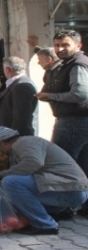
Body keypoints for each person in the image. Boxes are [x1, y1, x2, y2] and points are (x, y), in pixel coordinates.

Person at [0, 126, 88, 235]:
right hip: (71, 190)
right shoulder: (27, 143)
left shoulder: (23, 143)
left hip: (72, 191)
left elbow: (33, 163)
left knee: (10, 182)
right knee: (16, 191)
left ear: (3, 143)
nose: (0, 150)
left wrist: (1, 175)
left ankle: (45, 225)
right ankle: (57, 212)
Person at [36, 30, 88, 186]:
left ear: (78, 45)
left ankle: (67, 206)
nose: (60, 49)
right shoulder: (68, 64)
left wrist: (51, 96)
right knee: (81, 165)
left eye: (65, 45)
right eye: (57, 45)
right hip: (76, 121)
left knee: (63, 165)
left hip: (73, 122)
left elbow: (80, 94)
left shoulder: (77, 64)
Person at [0, 57, 37, 135]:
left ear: (7, 69)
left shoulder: (22, 85)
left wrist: (14, 138)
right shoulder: (18, 83)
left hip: (16, 136)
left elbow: (21, 117)